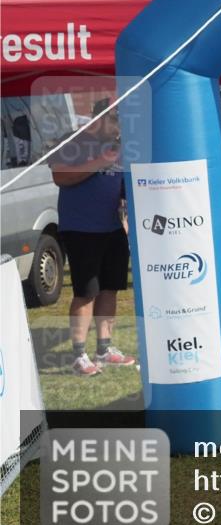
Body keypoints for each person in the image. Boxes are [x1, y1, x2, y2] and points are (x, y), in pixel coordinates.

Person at [49, 106, 135, 375]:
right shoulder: (74, 141)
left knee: (110, 289)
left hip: (112, 228)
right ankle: (79, 355)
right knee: (86, 293)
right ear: (100, 118)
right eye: (116, 120)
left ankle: (104, 349)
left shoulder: (119, 147)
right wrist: (101, 161)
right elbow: (59, 176)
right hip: (81, 230)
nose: (120, 128)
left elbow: (121, 188)